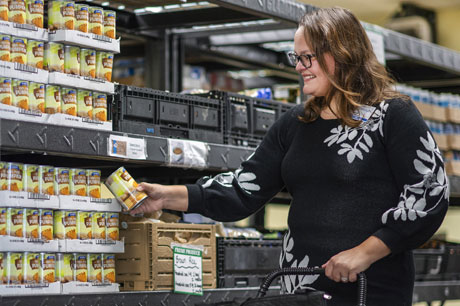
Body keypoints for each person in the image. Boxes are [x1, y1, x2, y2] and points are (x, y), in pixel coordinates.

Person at [130, 7, 449, 306]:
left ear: (341, 53)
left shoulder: (393, 115)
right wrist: (165, 196)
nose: (298, 67)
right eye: (295, 57)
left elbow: (430, 193)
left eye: (306, 57)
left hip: (371, 286)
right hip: (300, 285)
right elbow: (242, 189)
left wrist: (364, 253)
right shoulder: (295, 124)